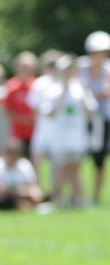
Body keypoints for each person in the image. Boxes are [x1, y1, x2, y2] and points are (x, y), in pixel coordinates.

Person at [41, 55, 98, 208]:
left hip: (77, 137)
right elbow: (50, 113)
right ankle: (57, 200)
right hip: (59, 137)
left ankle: (79, 199)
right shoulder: (53, 89)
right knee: (60, 169)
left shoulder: (81, 88)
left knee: (75, 169)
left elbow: (90, 111)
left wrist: (83, 92)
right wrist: (63, 90)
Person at [79, 31, 110, 204]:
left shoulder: (108, 70)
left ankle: (95, 196)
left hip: (102, 118)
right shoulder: (80, 67)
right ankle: (78, 194)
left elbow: (106, 92)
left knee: (99, 157)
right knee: (77, 155)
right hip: (81, 119)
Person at [27, 49, 63, 191]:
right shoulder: (40, 83)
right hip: (42, 127)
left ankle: (56, 191)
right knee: (37, 159)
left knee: (58, 162)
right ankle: (36, 190)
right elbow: (34, 106)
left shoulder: (62, 83)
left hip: (59, 129)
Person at [0, 139, 44, 211]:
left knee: (36, 194)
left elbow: (33, 185)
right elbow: (0, 191)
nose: (12, 157)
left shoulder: (25, 165)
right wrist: (22, 192)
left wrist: (21, 192)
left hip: (19, 197)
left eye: (15, 154)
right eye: (10, 153)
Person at [5, 52, 38, 160]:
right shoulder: (11, 85)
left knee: (33, 160)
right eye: (23, 66)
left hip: (34, 131)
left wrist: (32, 119)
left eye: (28, 67)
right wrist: (20, 119)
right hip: (17, 132)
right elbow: (8, 108)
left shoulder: (37, 84)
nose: (25, 70)